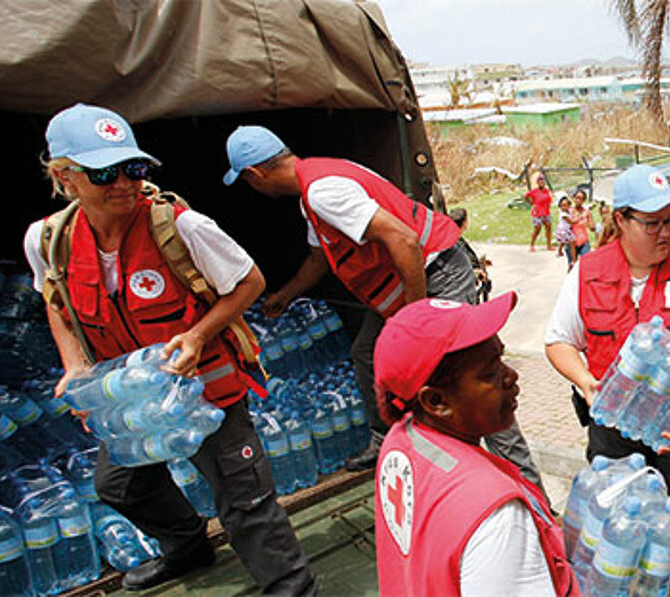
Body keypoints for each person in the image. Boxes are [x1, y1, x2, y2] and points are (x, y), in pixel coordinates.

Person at [23, 104, 317, 594]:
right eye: (104, 173)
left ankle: (293, 590)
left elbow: (249, 282)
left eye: (134, 168)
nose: (124, 183)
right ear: (65, 177)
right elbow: (53, 299)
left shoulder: (180, 226)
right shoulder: (47, 240)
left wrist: (199, 335)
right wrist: (74, 363)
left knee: (246, 505)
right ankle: (187, 546)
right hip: (131, 394)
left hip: (205, 390)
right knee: (119, 485)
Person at [222, 126, 544, 489]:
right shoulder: (316, 187)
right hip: (406, 288)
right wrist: (285, 295)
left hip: (435, 275)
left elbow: (403, 240)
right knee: (367, 351)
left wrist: (416, 320)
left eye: (247, 183)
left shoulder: (323, 191)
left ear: (255, 174)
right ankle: (385, 440)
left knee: (472, 380)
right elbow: (319, 259)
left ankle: (530, 492)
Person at [544, 164, 670, 595]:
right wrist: (586, 381)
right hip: (614, 434)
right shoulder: (587, 271)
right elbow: (559, 341)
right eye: (652, 223)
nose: (665, 233)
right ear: (621, 220)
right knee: (613, 543)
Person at [372, 292, 579, 596]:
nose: (511, 375)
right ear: (436, 401)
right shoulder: (498, 517)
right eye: (491, 372)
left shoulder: (401, 440)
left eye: (502, 358)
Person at [449, 207, 492, 303]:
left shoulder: (455, 239)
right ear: (464, 223)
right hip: (464, 293)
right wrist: (475, 272)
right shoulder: (455, 243)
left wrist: (480, 263)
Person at [525, 173, 554, 253]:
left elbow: (549, 199)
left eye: (543, 181)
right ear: (537, 183)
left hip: (546, 212)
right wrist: (531, 204)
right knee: (537, 228)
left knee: (548, 227)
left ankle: (549, 245)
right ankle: (532, 245)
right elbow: (526, 196)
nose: (542, 183)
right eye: (540, 181)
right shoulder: (534, 191)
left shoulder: (546, 191)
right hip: (537, 213)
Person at [554, 194, 577, 271]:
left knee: (562, 242)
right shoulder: (563, 214)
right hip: (564, 230)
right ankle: (573, 260)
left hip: (563, 230)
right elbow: (571, 222)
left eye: (566, 205)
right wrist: (578, 219)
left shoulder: (569, 211)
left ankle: (559, 251)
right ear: (560, 207)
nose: (564, 207)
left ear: (569, 205)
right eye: (562, 206)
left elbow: (573, 209)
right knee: (572, 244)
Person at [569, 189, 594, 257]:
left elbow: (592, 227)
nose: (578, 200)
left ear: (584, 200)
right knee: (572, 265)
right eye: (576, 198)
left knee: (586, 264)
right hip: (571, 243)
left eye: (580, 198)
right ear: (573, 198)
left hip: (584, 242)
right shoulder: (569, 212)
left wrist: (591, 223)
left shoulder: (586, 212)